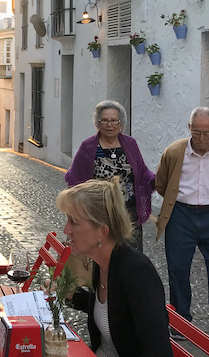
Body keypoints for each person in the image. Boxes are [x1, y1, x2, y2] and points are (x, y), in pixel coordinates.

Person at [59, 179, 177, 357]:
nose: (66, 229)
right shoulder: (103, 263)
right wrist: (73, 296)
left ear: (101, 232)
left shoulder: (136, 272)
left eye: (74, 221)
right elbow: (116, 312)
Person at [156, 107, 209, 353]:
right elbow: (162, 183)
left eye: (207, 133)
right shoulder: (174, 152)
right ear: (189, 129)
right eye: (197, 132)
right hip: (181, 215)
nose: (202, 139)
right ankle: (181, 324)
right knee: (178, 271)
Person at [64, 100, 155, 253]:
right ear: (97, 123)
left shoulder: (130, 144)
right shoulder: (88, 147)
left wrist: (156, 180)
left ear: (121, 124)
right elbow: (75, 178)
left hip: (128, 211)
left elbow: (141, 171)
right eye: (104, 120)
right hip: (100, 212)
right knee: (103, 252)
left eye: (114, 120)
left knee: (131, 253)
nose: (109, 124)